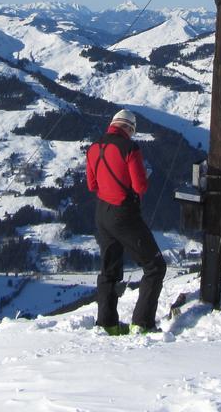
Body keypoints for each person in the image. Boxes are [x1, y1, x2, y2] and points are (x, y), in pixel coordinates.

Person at [85, 109, 167, 335]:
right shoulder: (130, 149)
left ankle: (107, 324)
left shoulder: (93, 148)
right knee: (155, 266)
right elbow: (140, 186)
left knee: (109, 270)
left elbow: (92, 185)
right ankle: (142, 323)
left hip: (102, 213)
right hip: (124, 213)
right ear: (130, 129)